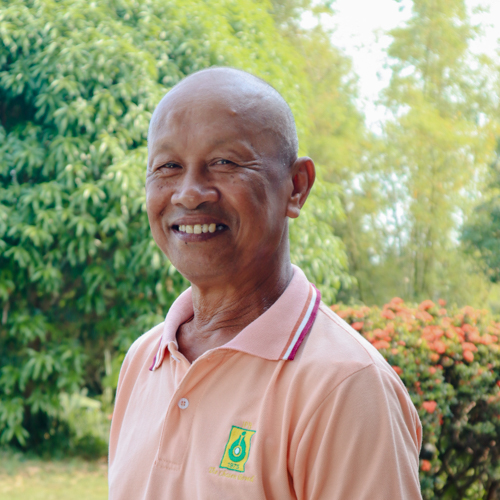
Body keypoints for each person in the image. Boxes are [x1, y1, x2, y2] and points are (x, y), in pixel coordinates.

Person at [108, 67, 422, 500]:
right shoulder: (146, 359)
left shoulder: (346, 385)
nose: (190, 193)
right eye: (168, 166)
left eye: (224, 162)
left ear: (296, 187)